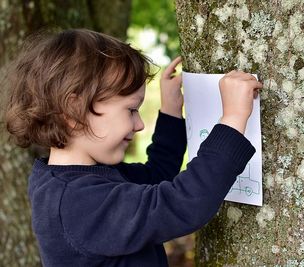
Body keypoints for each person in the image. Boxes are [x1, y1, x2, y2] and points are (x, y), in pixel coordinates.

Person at [4, 29, 263, 266]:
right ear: (74, 110)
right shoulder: (77, 204)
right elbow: (182, 204)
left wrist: (170, 112)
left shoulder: (79, 181)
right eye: (130, 110)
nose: (139, 124)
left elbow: (158, 176)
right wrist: (233, 119)